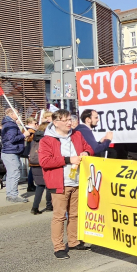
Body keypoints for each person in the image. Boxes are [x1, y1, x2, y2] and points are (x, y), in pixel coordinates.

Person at [39, 109, 94, 259]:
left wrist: (86, 153)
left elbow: (89, 147)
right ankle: (58, 247)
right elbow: (44, 162)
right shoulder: (47, 140)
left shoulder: (77, 134)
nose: (70, 122)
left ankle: (74, 241)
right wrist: (69, 159)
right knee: (59, 216)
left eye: (70, 119)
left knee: (75, 214)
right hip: (59, 183)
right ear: (56, 123)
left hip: (77, 181)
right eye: (66, 120)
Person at [0, 108, 31, 203]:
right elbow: (11, 139)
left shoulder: (8, 124)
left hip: (10, 151)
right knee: (14, 174)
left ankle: (10, 194)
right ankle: (13, 195)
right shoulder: (10, 125)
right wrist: (23, 135)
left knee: (11, 174)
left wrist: (22, 139)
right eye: (17, 113)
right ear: (11, 114)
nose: (19, 115)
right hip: (11, 152)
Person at [27, 123, 53, 215]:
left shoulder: (34, 138)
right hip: (45, 163)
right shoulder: (48, 138)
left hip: (34, 164)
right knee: (49, 185)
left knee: (39, 186)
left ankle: (35, 207)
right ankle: (49, 205)